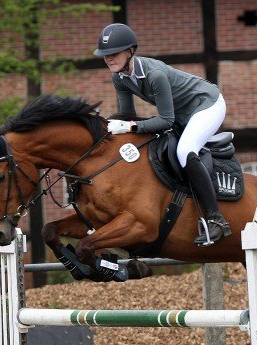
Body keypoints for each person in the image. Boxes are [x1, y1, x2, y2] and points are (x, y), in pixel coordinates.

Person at [93, 23, 231, 246]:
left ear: (130, 51)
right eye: (105, 55)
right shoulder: (120, 77)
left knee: (185, 150)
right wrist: (101, 124)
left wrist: (128, 127)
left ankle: (217, 220)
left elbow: (166, 120)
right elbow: (128, 114)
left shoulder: (154, 74)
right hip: (182, 113)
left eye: (113, 53)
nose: (108, 58)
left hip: (207, 104)